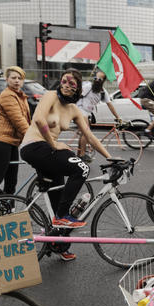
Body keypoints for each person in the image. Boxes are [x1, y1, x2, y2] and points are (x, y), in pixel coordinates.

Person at [20, 69, 112, 260]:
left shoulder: (73, 110)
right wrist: (54, 144)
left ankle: (59, 244)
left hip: (49, 151)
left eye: (72, 84)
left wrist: (110, 157)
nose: (67, 86)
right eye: (64, 82)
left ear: (78, 89)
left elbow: (90, 136)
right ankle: (63, 215)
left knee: (58, 198)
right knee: (81, 167)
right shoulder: (50, 95)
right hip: (35, 146)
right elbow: (38, 119)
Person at [0, 66, 31, 198]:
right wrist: (33, 137)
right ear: (7, 79)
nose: (17, 81)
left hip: (12, 142)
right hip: (0, 141)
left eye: (20, 78)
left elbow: (27, 120)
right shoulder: (7, 96)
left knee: (11, 181)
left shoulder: (20, 96)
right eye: (13, 78)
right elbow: (18, 120)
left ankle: (9, 209)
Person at [76, 69, 122, 161]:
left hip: (88, 113)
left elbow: (110, 105)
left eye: (99, 79)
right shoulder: (88, 86)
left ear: (103, 81)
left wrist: (118, 117)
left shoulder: (103, 92)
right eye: (95, 78)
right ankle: (82, 155)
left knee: (83, 135)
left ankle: (79, 153)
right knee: (86, 132)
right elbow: (77, 95)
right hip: (79, 110)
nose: (97, 80)